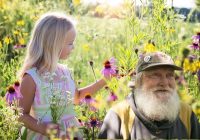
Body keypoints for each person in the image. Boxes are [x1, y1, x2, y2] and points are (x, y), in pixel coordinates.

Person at [18, 12, 109, 140]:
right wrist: (41, 128)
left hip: (70, 134)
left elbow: (76, 98)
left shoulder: (65, 72)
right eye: (70, 43)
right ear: (54, 44)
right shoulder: (32, 78)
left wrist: (105, 80)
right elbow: (21, 115)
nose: (73, 47)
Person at [98, 51, 200, 139]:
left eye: (169, 75)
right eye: (155, 75)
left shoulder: (186, 113)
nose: (164, 83)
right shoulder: (119, 116)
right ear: (139, 82)